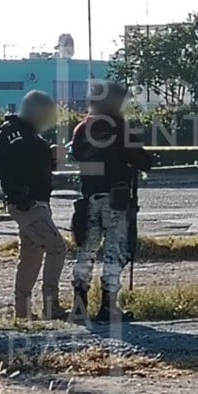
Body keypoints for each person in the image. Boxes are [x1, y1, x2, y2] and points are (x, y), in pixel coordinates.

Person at [70, 80, 151, 323]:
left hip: (88, 196)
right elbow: (141, 159)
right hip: (116, 198)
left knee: (86, 250)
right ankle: (108, 306)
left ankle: (79, 306)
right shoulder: (118, 126)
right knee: (115, 251)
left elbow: (76, 155)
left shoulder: (81, 129)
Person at [0, 90, 68, 320]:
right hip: (28, 203)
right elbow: (24, 163)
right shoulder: (18, 135)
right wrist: (49, 154)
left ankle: (22, 311)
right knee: (57, 247)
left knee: (31, 253)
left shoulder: (19, 133)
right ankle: (50, 304)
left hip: (31, 201)